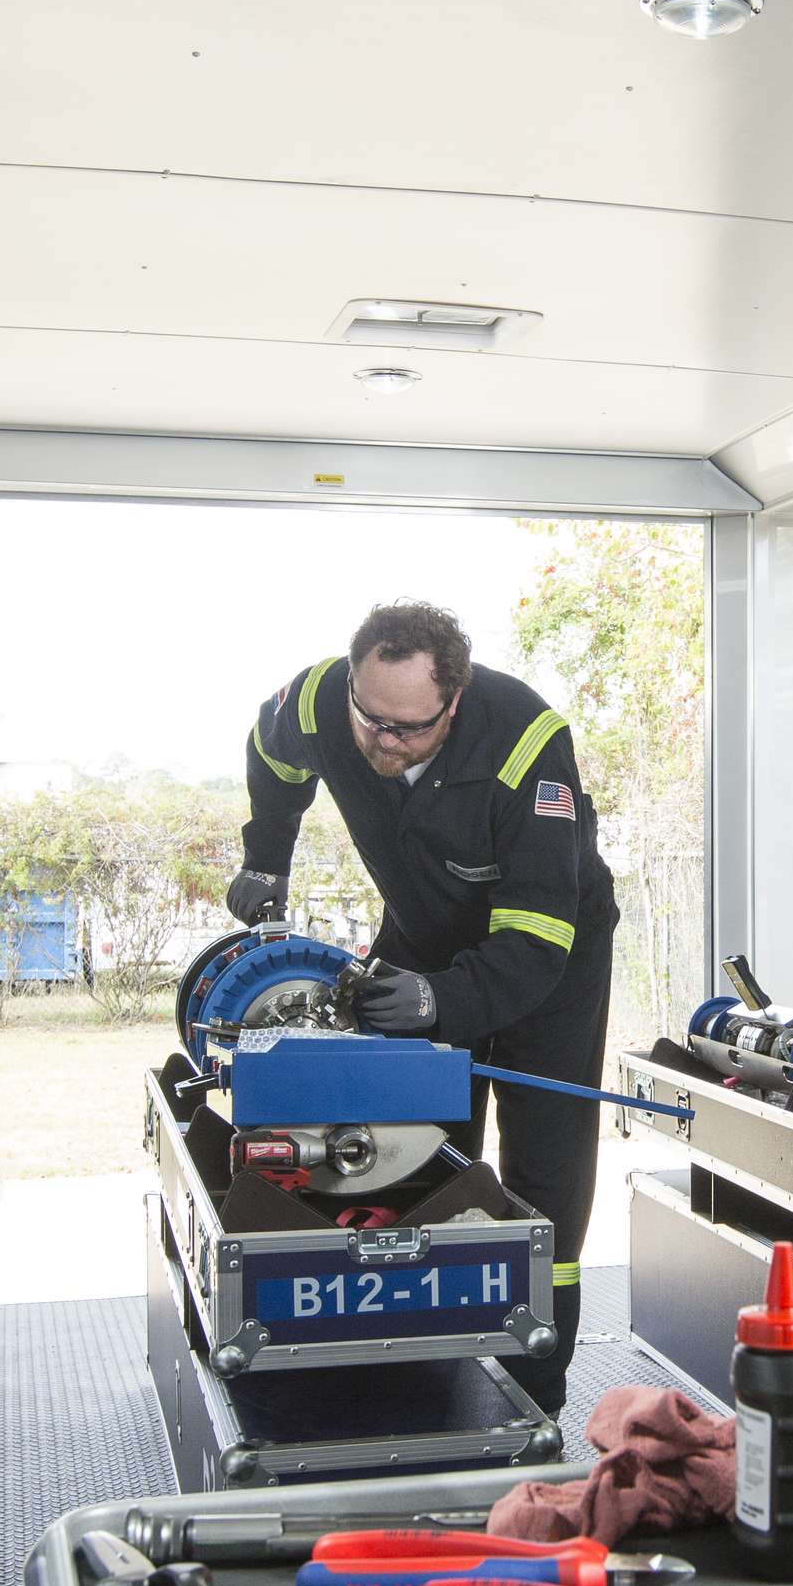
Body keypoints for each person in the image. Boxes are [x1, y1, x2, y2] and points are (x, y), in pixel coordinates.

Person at [230, 603, 618, 1411]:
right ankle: (415, 1368)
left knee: (542, 1178)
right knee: (409, 1148)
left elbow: (540, 937)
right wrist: (267, 860)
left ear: (455, 697)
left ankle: (534, 1393)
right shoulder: (319, 700)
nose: (382, 742)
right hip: (421, 931)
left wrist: (443, 1000)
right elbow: (271, 756)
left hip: (548, 964)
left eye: (407, 728)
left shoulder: (528, 743)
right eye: (369, 720)